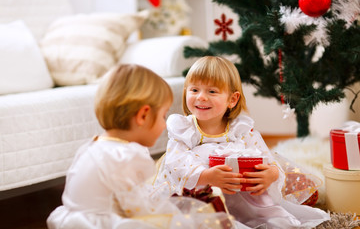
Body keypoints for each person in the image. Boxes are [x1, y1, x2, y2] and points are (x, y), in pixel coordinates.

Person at [47, 64, 237, 229]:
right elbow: (139, 209)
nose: (164, 125)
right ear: (143, 116)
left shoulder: (93, 145)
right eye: (163, 116)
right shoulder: (125, 156)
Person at [154, 56, 330, 229]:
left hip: (242, 194)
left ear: (232, 99)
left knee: (276, 219)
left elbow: (265, 156)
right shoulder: (184, 129)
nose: (201, 97)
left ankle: (254, 215)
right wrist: (207, 176)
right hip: (201, 194)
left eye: (212, 91)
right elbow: (176, 162)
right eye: (194, 90)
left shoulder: (241, 129)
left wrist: (271, 174)